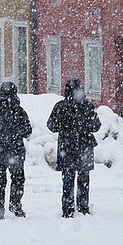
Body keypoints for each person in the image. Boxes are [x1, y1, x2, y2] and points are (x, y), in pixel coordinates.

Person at [47, 78, 101, 218]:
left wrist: (65, 128)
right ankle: (83, 207)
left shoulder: (60, 106)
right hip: (84, 146)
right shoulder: (87, 107)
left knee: (68, 178)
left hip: (67, 146)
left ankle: (67, 207)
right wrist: (84, 127)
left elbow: (51, 126)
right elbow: (96, 126)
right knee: (84, 178)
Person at [0, 81, 32, 220]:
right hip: (15, 151)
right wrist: (15, 134)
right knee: (18, 179)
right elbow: (28, 131)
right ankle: (15, 204)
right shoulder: (18, 110)